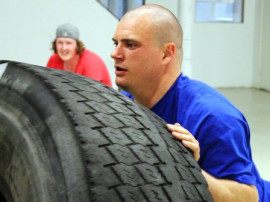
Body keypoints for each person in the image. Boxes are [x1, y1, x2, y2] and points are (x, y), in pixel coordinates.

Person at [110, 4, 270, 202]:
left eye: (130, 45)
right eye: (115, 43)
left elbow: (248, 197)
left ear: (166, 54)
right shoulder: (124, 106)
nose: (115, 54)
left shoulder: (215, 117)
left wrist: (186, 166)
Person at [47, 23, 112, 87]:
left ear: (77, 45)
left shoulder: (90, 61)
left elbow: (90, 94)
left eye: (68, 43)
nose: (64, 48)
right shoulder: (53, 59)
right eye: (60, 43)